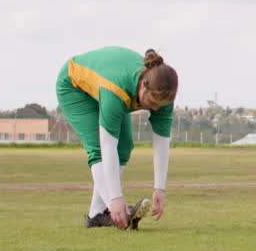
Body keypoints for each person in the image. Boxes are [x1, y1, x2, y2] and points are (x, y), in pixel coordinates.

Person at [55, 47, 178, 229]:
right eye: (151, 103)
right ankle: (114, 210)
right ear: (143, 85)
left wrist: (159, 188)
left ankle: (96, 215)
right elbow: (107, 146)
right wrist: (115, 198)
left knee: (124, 147)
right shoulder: (116, 89)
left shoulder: (163, 95)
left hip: (108, 86)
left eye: (160, 105)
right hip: (74, 86)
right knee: (97, 147)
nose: (155, 109)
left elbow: (161, 140)